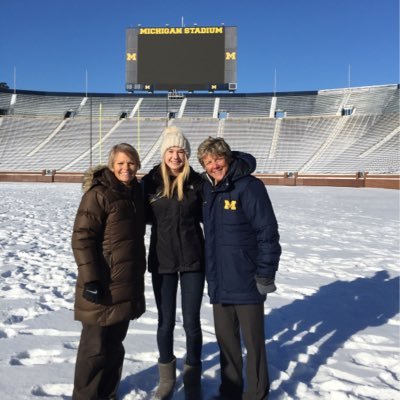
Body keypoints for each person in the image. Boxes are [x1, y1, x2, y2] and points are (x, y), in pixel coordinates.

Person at [197, 137, 281, 400]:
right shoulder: (208, 191)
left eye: (218, 159)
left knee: (253, 344)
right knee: (226, 342)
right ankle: (230, 391)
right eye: (208, 162)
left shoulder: (250, 187)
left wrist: (265, 274)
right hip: (220, 281)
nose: (214, 165)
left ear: (228, 158)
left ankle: (256, 393)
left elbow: (267, 232)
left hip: (247, 280)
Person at [71, 143, 146, 400]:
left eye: (131, 163)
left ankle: (108, 393)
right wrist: (91, 279)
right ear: (112, 166)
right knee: (94, 350)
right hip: (102, 284)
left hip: (125, 284)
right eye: (121, 164)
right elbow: (82, 237)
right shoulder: (98, 194)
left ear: (137, 164)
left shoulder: (136, 192)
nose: (126, 168)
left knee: (115, 346)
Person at [141, 126, 205, 400]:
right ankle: (166, 378)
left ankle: (192, 377)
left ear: (186, 155)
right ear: (163, 153)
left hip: (193, 261)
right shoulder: (150, 182)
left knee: (191, 322)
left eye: (180, 151)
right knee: (165, 322)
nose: (175, 156)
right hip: (162, 260)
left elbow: (210, 219)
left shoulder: (198, 182)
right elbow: (136, 215)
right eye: (170, 150)